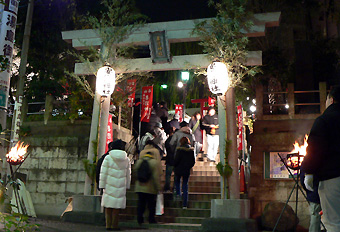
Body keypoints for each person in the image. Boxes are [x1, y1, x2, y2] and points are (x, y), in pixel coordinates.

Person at [301, 85, 340, 232]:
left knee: (333, 222)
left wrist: (309, 173)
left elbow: (315, 149)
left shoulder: (324, 120)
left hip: (332, 179)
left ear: (331, 99)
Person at [99, 139, 131, 231]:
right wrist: (127, 185)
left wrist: (102, 185)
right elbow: (128, 174)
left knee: (108, 207)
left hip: (109, 185)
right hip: (120, 186)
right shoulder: (126, 159)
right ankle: (115, 225)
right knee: (117, 207)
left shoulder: (108, 158)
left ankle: (108, 225)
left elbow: (103, 172)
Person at [134, 140, 162, 225]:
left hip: (140, 185)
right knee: (151, 204)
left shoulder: (141, 156)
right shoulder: (155, 157)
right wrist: (159, 187)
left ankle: (140, 219)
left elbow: (136, 171)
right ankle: (151, 219)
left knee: (141, 203)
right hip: (150, 186)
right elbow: (157, 174)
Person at [173, 137, 195, 209]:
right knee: (185, 185)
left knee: (177, 182)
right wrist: (188, 166)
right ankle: (185, 204)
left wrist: (175, 166)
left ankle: (178, 195)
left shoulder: (179, 150)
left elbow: (176, 160)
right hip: (186, 170)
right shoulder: (191, 151)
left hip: (178, 169)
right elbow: (193, 161)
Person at [163, 127, 175, 192]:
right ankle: (174, 187)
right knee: (176, 175)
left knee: (168, 175)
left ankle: (167, 187)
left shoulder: (167, 141)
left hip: (169, 160)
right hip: (175, 160)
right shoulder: (176, 141)